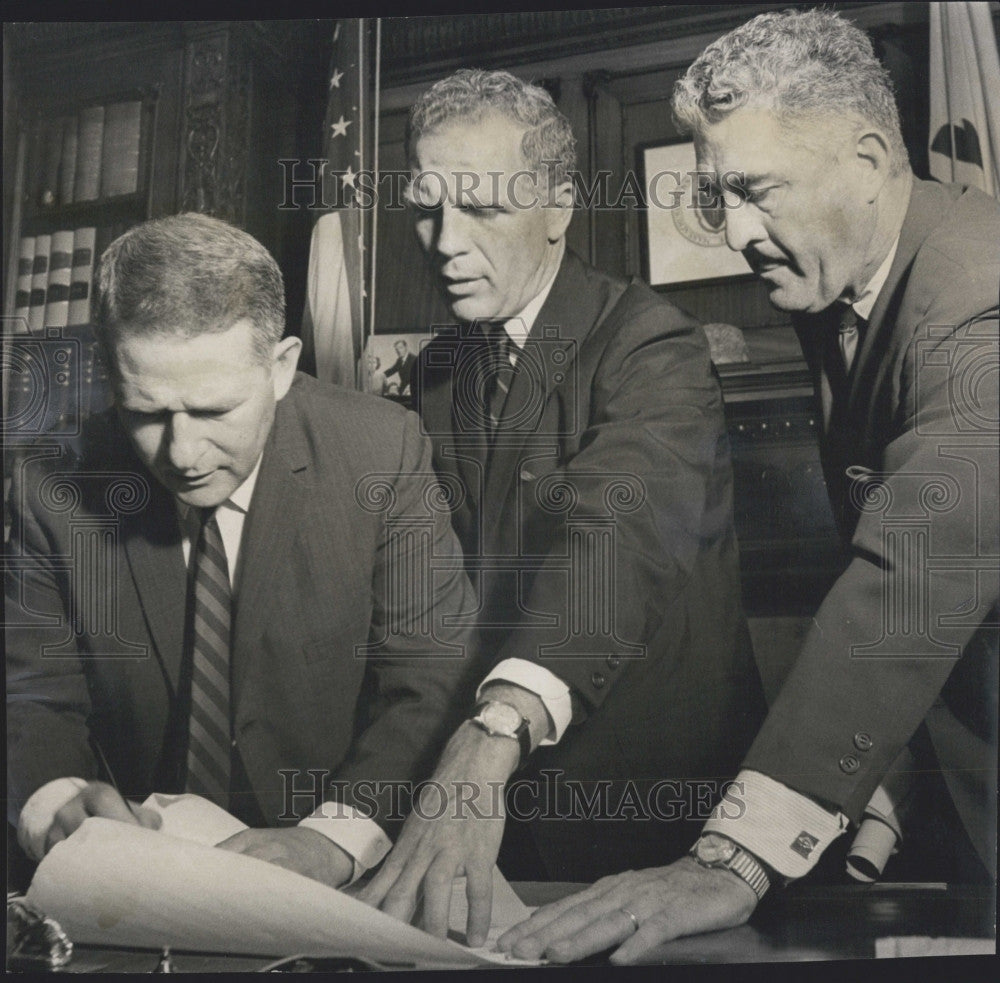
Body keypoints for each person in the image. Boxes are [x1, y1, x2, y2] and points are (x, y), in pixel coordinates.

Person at [498, 9, 999, 963]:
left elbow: (913, 575)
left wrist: (733, 858)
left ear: (866, 159)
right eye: (717, 197)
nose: (736, 233)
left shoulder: (982, 297)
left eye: (757, 191)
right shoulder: (847, 278)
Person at [357, 69, 766, 946]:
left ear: (557, 206)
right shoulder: (435, 372)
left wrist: (495, 728)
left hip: (650, 822)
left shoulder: (649, 341)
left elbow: (614, 541)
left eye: (481, 210)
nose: (444, 243)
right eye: (427, 209)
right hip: (479, 823)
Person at [6, 213, 478, 890]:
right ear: (111, 374)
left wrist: (331, 839)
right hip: (132, 887)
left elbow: (429, 681)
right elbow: (29, 697)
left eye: (214, 410)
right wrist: (55, 802)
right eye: (146, 413)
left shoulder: (381, 452)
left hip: (340, 873)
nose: (183, 453)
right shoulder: (52, 483)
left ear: (281, 367)